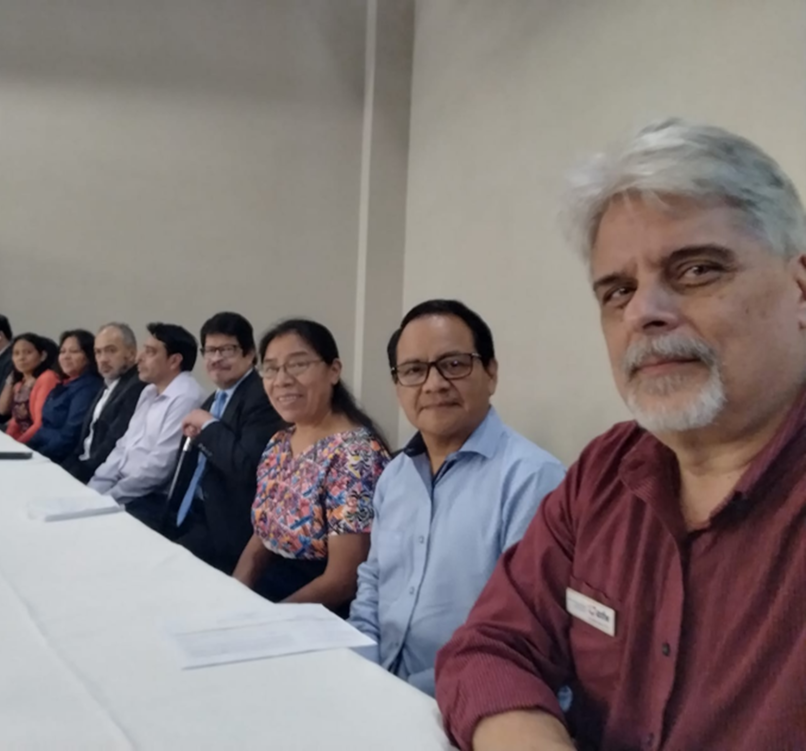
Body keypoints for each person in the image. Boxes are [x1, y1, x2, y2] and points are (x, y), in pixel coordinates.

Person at [436, 119, 806, 751]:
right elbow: (488, 649)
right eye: (618, 290)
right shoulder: (606, 472)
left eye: (696, 270)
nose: (643, 313)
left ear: (800, 290)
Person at [348, 299, 565, 697]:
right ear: (398, 387)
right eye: (414, 370)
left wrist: (400, 693)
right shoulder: (394, 476)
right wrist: (360, 667)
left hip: (474, 701)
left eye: (453, 364)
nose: (433, 384)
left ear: (491, 373)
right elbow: (373, 583)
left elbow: (523, 632)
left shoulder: (533, 480)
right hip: (379, 689)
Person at [231, 319, 390, 616]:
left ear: (334, 371)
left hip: (321, 610)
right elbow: (264, 535)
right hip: (271, 593)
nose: (282, 380)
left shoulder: (355, 455)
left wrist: (268, 619)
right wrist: (233, 595)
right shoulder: (280, 441)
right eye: (271, 368)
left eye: (298, 365)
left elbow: (343, 580)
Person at [161, 312, 284, 573]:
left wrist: (208, 426)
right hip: (189, 516)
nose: (216, 358)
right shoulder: (214, 400)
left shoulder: (262, 397)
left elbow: (246, 466)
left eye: (226, 350)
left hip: (227, 531)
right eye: (210, 350)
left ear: (250, 354)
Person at [88, 323, 205, 525]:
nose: (139, 358)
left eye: (150, 352)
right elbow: (123, 447)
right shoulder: (149, 391)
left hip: (152, 498)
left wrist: (109, 498)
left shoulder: (186, 396)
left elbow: (160, 467)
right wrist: (93, 490)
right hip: (124, 488)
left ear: (174, 360)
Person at [62, 323, 146, 483]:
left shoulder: (135, 387)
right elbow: (84, 441)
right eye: (98, 352)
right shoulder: (109, 383)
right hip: (81, 465)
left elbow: (112, 443)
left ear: (131, 353)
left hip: (98, 476)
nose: (103, 359)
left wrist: (74, 475)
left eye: (111, 350)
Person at [26, 330, 103, 463]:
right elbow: (44, 427)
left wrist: (37, 457)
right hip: (42, 450)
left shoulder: (88, 388)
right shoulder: (66, 383)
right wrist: (26, 448)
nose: (66, 356)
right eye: (62, 351)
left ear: (88, 355)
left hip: (60, 459)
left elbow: (69, 437)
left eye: (74, 351)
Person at [0, 333, 60, 444]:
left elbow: (40, 423)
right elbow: (15, 420)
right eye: (16, 353)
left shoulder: (47, 378)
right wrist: (5, 441)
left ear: (42, 356)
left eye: (28, 352)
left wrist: (17, 445)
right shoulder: (20, 383)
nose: (21, 358)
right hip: (22, 439)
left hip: (38, 441)